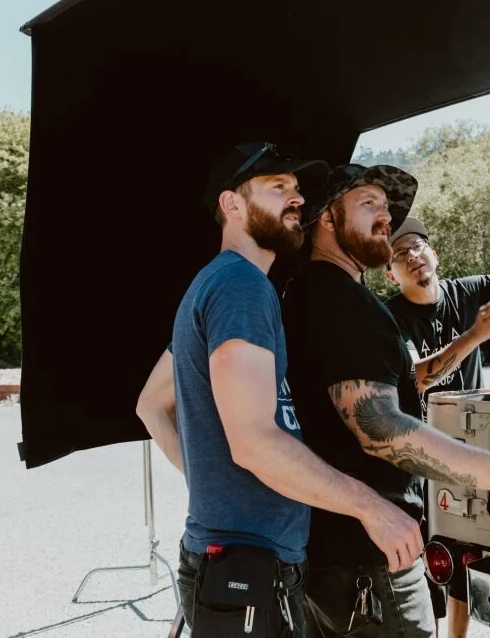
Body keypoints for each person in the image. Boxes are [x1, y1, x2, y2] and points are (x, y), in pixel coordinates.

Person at [281, 163, 490, 638]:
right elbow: (379, 428)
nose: (385, 218)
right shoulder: (344, 303)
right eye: (369, 205)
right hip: (368, 561)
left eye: (387, 208)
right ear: (326, 218)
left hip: (326, 552)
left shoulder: (306, 292)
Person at [135, 143, 423, 636]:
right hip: (247, 570)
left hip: (244, 562)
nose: (296, 199)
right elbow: (253, 442)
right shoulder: (240, 286)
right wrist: (372, 507)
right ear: (231, 204)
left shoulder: (223, 284)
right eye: (277, 187)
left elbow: (148, 404)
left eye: (296, 189)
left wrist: (213, 482)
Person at [384, 207, 490, 638]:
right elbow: (415, 378)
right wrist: (474, 336)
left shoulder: (470, 291)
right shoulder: (388, 318)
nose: (412, 254)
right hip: (417, 454)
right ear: (390, 275)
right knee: (426, 556)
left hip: (469, 447)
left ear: (434, 253)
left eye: (418, 245)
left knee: (464, 547)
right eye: (399, 252)